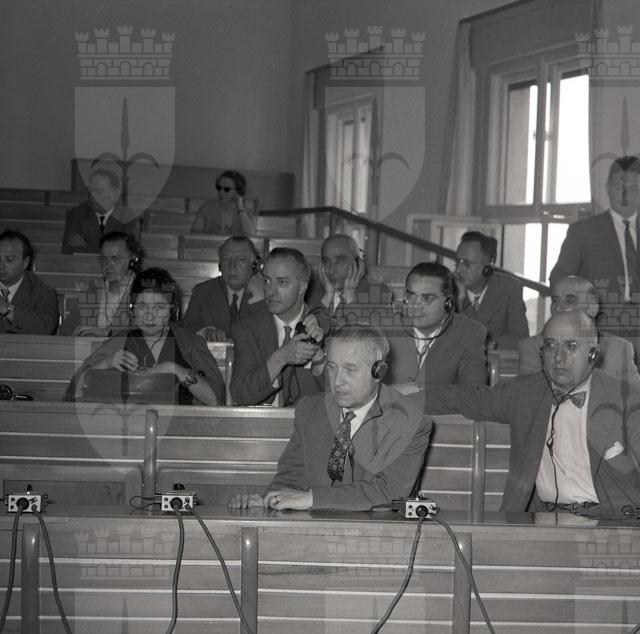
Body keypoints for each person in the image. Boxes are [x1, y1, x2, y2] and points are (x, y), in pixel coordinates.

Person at [425, 311, 640, 516]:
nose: (559, 357)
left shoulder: (627, 400)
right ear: (541, 353)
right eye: (550, 346)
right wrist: (414, 394)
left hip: (610, 520)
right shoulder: (524, 392)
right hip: (541, 518)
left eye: (571, 346)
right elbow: (467, 398)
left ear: (593, 354)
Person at [229, 325, 432, 511]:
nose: (337, 381)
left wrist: (311, 499)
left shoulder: (410, 422)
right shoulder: (310, 410)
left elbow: (388, 491)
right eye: (332, 367)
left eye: (350, 369)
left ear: (379, 372)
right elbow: (291, 477)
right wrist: (269, 500)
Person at [65, 267, 225, 405]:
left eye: (159, 307)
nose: (149, 316)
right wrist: (106, 363)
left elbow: (217, 399)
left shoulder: (188, 342)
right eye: (142, 307)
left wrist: (175, 369)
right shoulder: (120, 342)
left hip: (179, 426)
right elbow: (72, 394)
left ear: (172, 310)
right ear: (132, 308)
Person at [550, 156, 640, 360]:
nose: (625, 196)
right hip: (600, 333)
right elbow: (559, 278)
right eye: (619, 188)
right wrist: (577, 312)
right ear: (607, 188)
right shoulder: (583, 232)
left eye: (633, 189)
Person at [230, 248, 326, 406]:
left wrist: (319, 359)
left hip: (310, 418)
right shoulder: (246, 330)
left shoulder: (323, 327)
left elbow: (339, 397)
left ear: (302, 287)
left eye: (281, 282)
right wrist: (279, 358)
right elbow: (241, 395)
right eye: (267, 281)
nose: (271, 291)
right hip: (261, 419)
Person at [519, 275, 640, 386]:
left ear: (592, 308)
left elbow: (635, 398)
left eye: (569, 301)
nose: (558, 307)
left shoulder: (618, 349)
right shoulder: (532, 348)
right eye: (555, 300)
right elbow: (528, 397)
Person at [385, 262, 487, 392]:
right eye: (410, 296)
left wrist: (418, 389)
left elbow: (474, 393)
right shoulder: (386, 329)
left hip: (441, 406)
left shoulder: (469, 333)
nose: (415, 306)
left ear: (448, 303)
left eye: (427, 299)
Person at [181, 236, 267, 341]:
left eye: (240, 259)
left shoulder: (265, 291)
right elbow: (186, 329)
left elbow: (269, 332)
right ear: (220, 265)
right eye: (226, 259)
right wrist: (205, 332)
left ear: (254, 265)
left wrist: (259, 298)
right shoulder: (202, 292)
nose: (232, 266)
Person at [59, 231, 143, 337]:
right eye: (104, 259)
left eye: (115, 259)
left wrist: (107, 333)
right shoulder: (92, 288)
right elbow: (66, 329)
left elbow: (146, 334)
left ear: (132, 261)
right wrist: (82, 335)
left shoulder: (143, 292)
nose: (107, 265)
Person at [455, 230, 529, 350]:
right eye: (458, 262)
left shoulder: (509, 288)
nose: (458, 270)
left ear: (487, 267)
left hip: (495, 360)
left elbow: (520, 338)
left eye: (467, 264)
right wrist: (459, 300)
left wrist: (489, 345)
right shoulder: (448, 288)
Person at [307, 233, 393, 327]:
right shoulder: (311, 291)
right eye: (326, 262)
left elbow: (369, 334)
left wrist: (350, 299)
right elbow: (308, 329)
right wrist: (327, 298)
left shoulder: (378, 291)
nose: (331, 270)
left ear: (358, 264)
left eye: (340, 261)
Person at [62, 168, 141, 254]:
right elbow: (68, 251)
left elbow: (129, 253)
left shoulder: (129, 217)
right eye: (90, 190)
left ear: (115, 194)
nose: (92, 195)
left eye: (99, 191)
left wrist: (86, 247)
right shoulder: (77, 213)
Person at [0, 229, 59, 334]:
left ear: (25, 262)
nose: (1, 265)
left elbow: (45, 327)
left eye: (9, 260)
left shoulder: (43, 293)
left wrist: (7, 309)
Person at [190, 170, 258, 236]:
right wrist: (212, 236)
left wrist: (240, 208)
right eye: (219, 187)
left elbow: (251, 236)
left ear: (238, 191)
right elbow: (193, 234)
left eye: (226, 189)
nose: (221, 192)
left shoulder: (246, 212)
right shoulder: (206, 209)